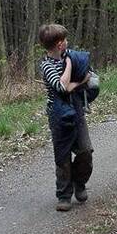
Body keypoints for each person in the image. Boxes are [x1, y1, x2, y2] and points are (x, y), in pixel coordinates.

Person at [38, 23, 94, 211]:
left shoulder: (71, 54)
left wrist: (81, 76)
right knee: (62, 157)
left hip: (76, 110)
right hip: (58, 115)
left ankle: (80, 183)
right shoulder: (46, 65)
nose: (67, 42)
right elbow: (62, 87)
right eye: (65, 40)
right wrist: (71, 66)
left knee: (85, 151)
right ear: (59, 44)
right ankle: (64, 195)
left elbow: (88, 71)